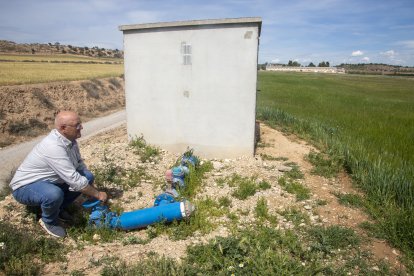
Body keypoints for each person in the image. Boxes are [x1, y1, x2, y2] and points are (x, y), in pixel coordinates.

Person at [9, 111, 108, 238]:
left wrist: (91, 187)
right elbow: (74, 180)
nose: (81, 127)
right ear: (63, 128)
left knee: (87, 177)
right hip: (25, 188)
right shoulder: (53, 146)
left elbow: (79, 165)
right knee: (54, 194)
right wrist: (97, 194)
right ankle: (49, 221)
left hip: (48, 182)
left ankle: (58, 208)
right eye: (77, 125)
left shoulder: (70, 141)